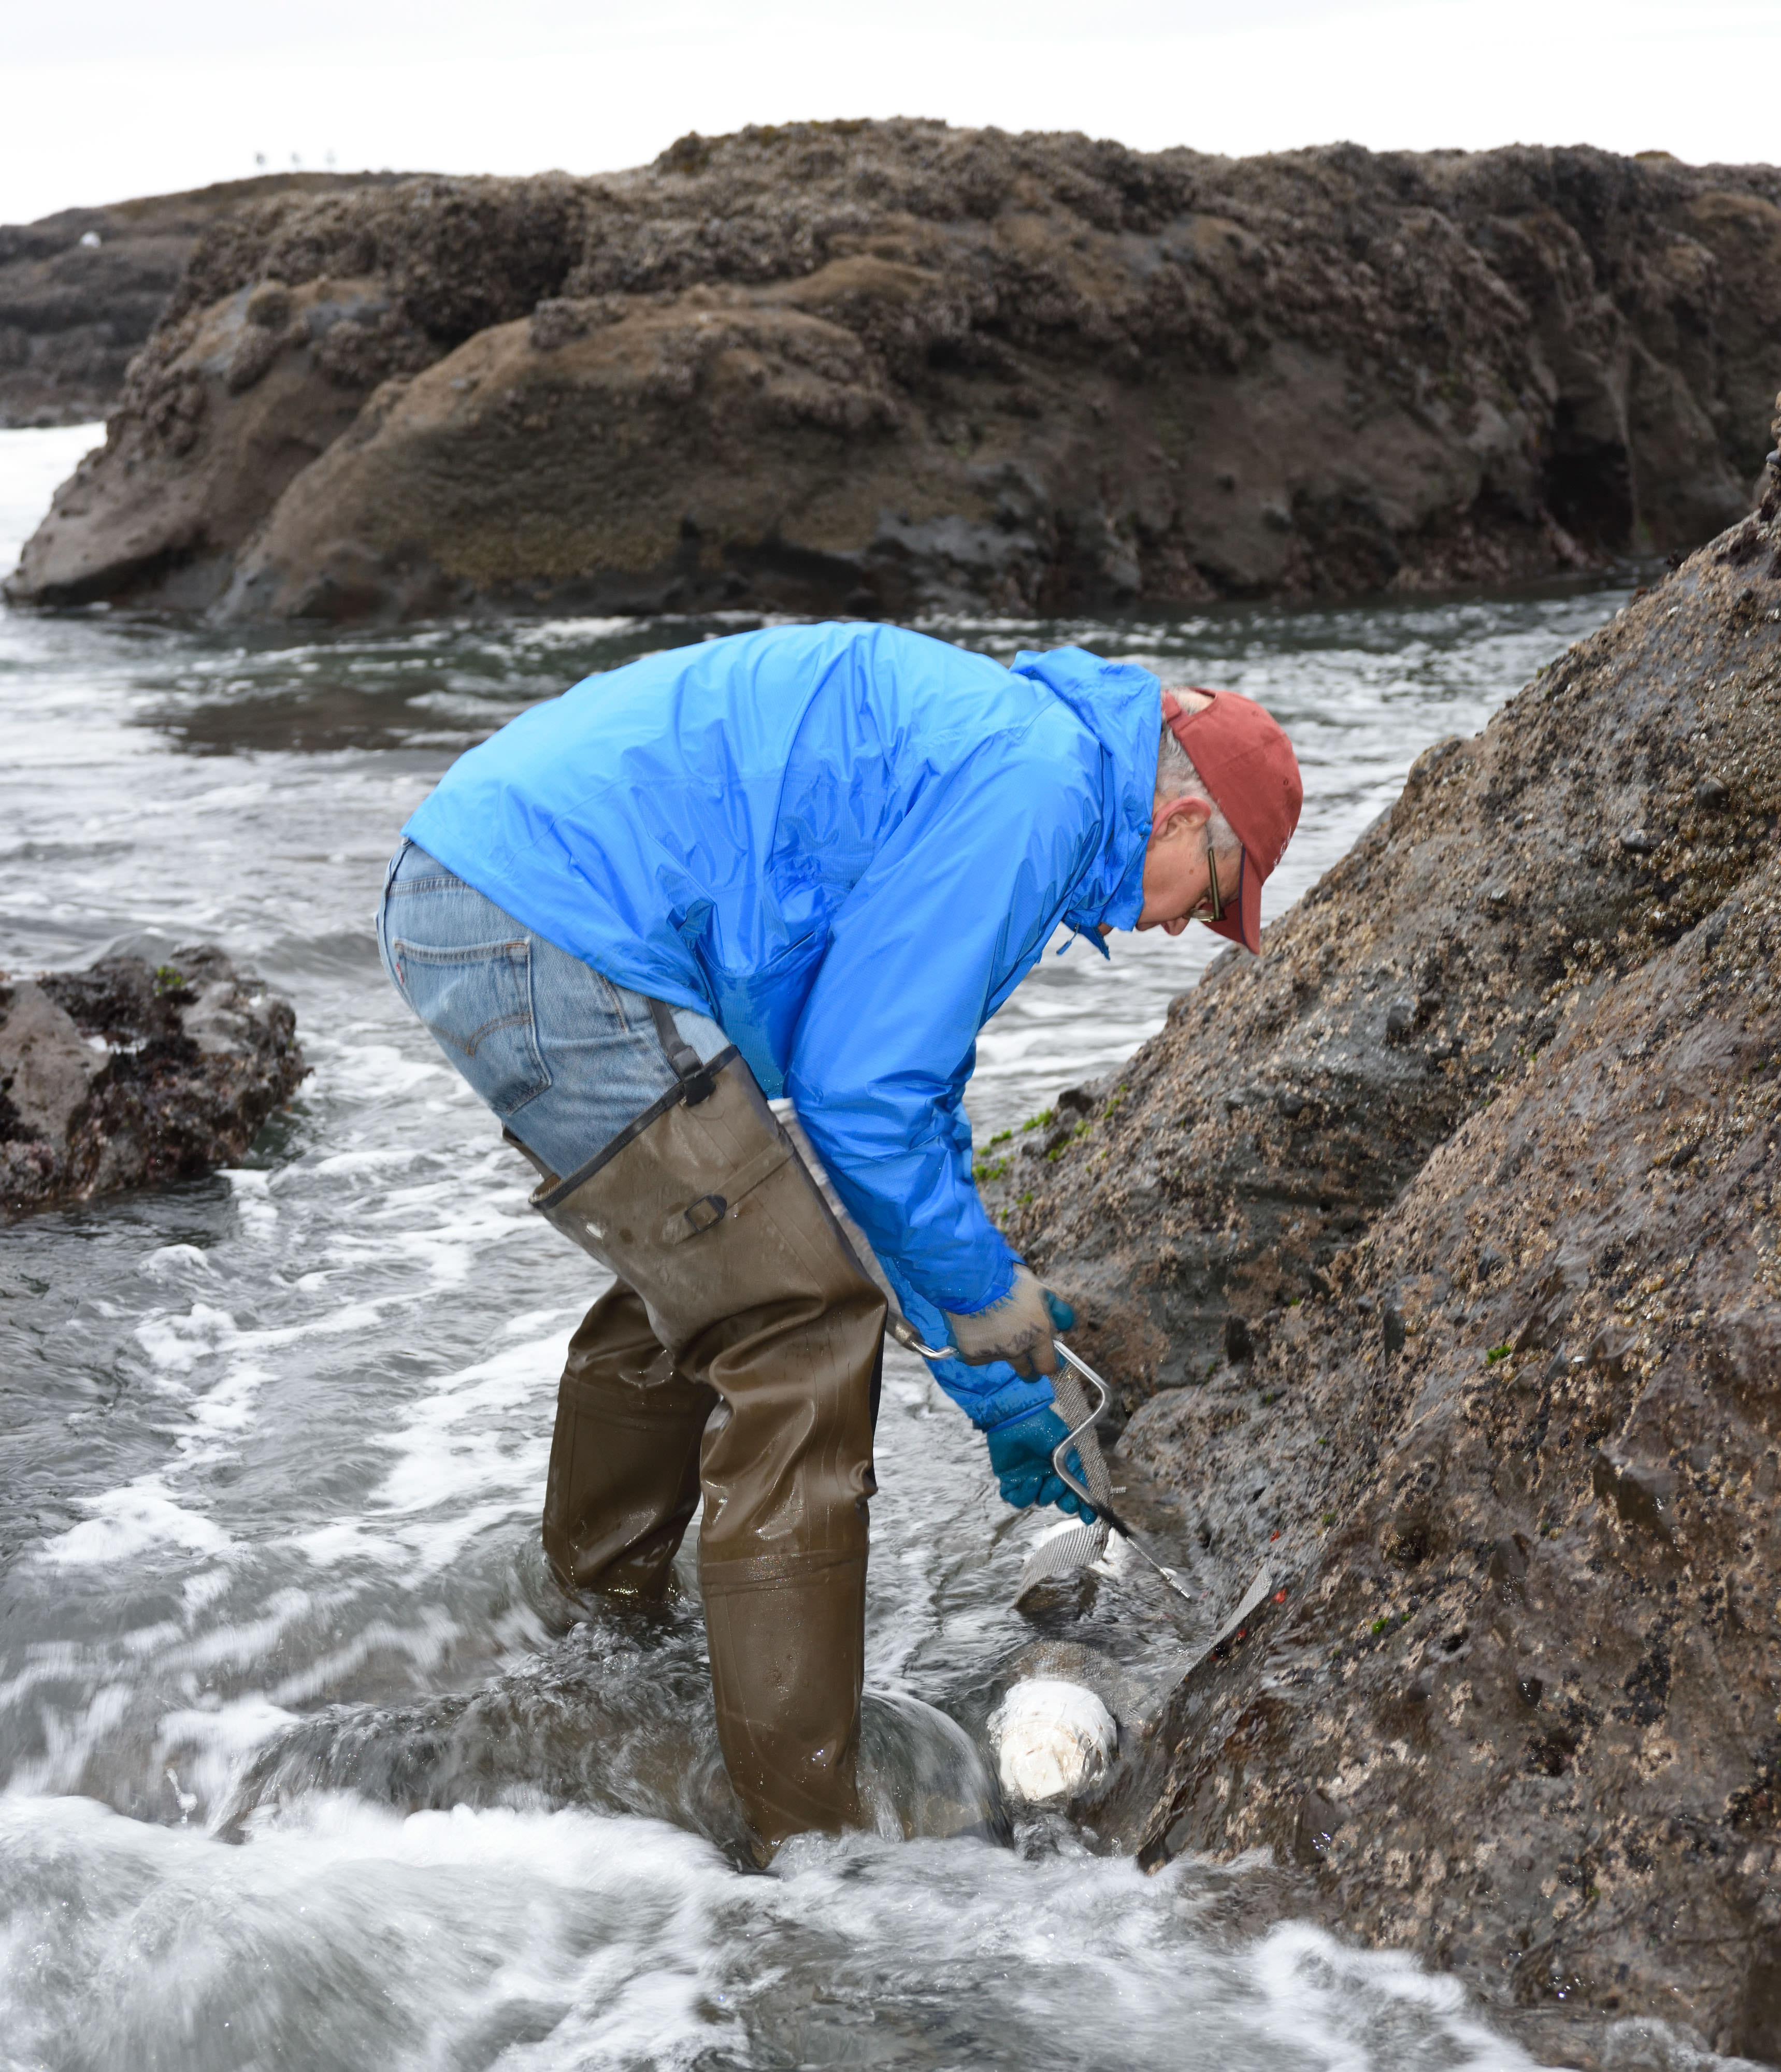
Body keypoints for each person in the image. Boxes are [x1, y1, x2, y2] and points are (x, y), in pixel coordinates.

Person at [375, 622, 1301, 1850]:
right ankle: (811, 1836)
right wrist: (983, 1287)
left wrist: (995, 1386)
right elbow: (866, 1098)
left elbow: (865, 1124)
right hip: (548, 920)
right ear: (1182, 815)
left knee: (707, 1260)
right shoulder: (1044, 789)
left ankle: (597, 1628)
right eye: (1218, 898)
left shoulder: (1016, 756)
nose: (1189, 930)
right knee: (798, 1328)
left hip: (476, 882)